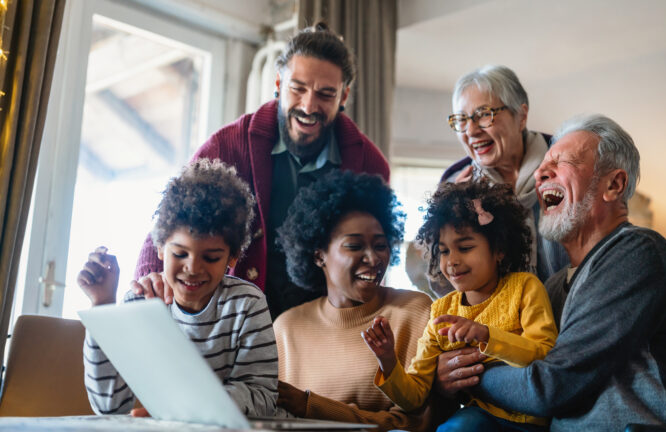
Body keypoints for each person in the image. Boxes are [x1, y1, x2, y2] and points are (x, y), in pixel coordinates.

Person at [441, 114, 666, 430]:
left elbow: (551, 387)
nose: (541, 173)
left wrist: (466, 375)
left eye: (562, 162)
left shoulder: (637, 253)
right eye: (543, 166)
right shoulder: (556, 285)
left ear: (613, 184)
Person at [132, 23, 389, 319]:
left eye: (325, 94)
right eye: (298, 88)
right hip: (231, 320)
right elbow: (175, 216)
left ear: (343, 97)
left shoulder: (371, 166)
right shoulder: (228, 145)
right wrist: (150, 278)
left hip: (322, 325)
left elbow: (372, 257)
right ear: (279, 83)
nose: (308, 105)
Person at [79, 159, 277, 418]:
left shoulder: (247, 304)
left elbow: (262, 397)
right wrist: (102, 306)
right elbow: (109, 406)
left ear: (233, 257)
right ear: (160, 247)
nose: (193, 268)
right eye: (180, 253)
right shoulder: (139, 306)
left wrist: (183, 410)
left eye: (211, 257)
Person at [363, 180, 557, 432]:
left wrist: (486, 335)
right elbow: (414, 398)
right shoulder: (441, 312)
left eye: (464, 248)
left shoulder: (524, 288)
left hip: (530, 423)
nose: (452, 261)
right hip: (477, 419)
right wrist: (388, 361)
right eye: (443, 251)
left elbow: (544, 354)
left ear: (499, 249)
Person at [272, 170, 443, 432]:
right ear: (319, 256)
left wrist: (311, 406)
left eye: (380, 245)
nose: (373, 259)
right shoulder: (286, 328)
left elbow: (412, 424)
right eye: (354, 246)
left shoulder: (415, 313)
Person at [440, 65, 569, 289]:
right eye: (462, 120)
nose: (470, 131)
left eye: (483, 115)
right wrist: (452, 215)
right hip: (489, 319)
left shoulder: (567, 167)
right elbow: (441, 275)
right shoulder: (454, 184)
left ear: (521, 116)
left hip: (568, 313)